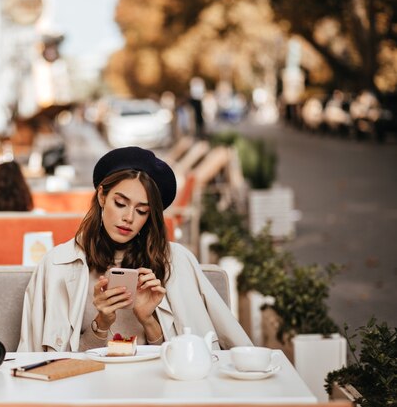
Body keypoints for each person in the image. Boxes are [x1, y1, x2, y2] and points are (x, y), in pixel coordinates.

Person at [17, 146, 252, 352]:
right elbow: (47, 365)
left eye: (142, 211)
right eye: (120, 204)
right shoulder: (57, 264)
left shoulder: (176, 261)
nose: (128, 218)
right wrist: (102, 323)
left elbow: (196, 356)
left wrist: (148, 319)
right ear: (101, 196)